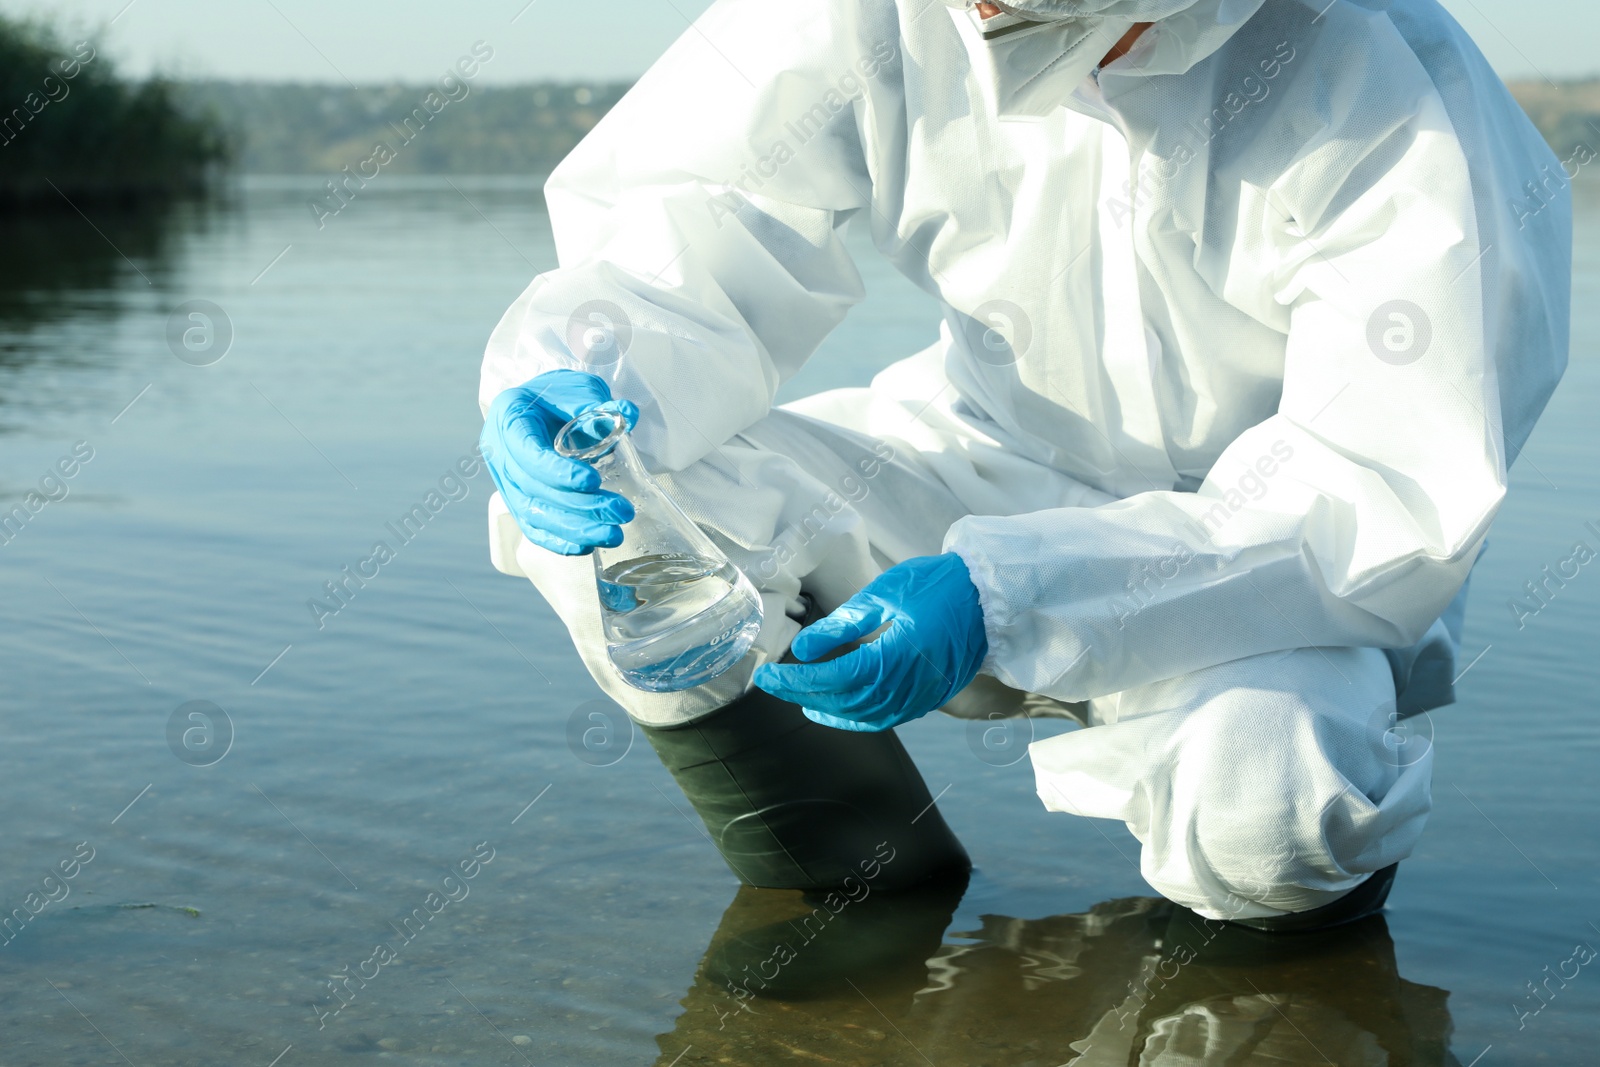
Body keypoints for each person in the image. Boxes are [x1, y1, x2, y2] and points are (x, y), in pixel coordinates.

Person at [479, 0, 1569, 928]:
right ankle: (852, 900)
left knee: (1271, 807)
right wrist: (585, 369)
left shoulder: (1386, 76)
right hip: (970, 461)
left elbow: (1379, 487)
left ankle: (1274, 1003)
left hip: (1253, 558)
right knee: (612, 504)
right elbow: (696, 219)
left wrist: (1012, 593)